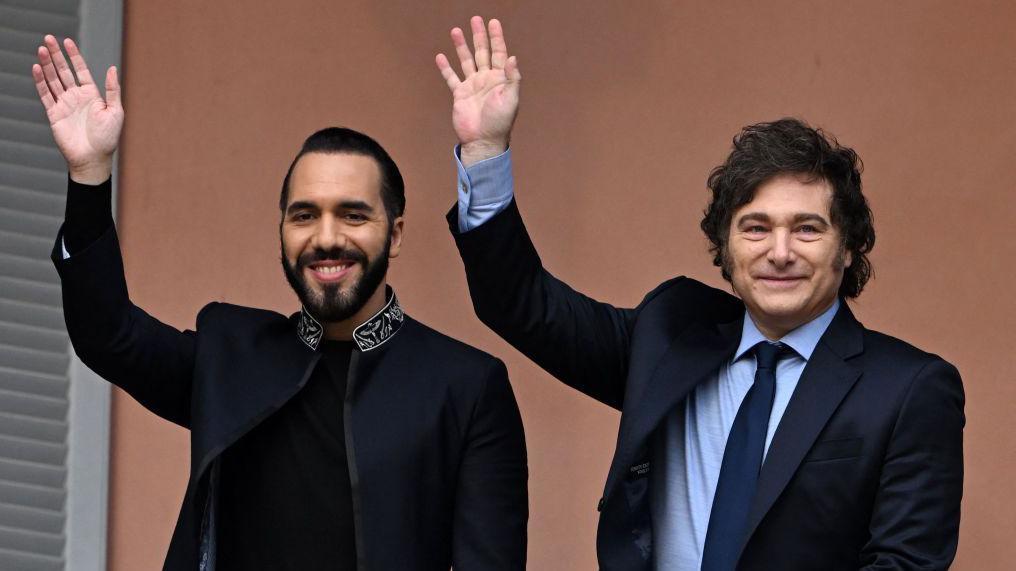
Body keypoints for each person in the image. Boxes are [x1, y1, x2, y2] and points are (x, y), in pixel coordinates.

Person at [436, 16, 964, 571]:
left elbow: (905, 563)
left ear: (849, 246)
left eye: (807, 228)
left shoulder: (910, 388)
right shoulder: (670, 337)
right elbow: (521, 304)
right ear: (725, 247)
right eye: (755, 228)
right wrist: (485, 151)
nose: (779, 251)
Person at [34, 34, 528, 570]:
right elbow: (107, 335)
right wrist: (89, 177)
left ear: (397, 233)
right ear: (283, 233)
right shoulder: (230, 355)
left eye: (354, 215)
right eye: (304, 215)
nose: (326, 237)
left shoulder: (468, 388)